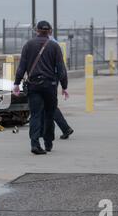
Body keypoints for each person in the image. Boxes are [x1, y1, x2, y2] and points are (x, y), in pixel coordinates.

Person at [13, 21, 68, 155]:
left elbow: (22, 67)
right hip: (50, 86)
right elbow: (61, 69)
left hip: (34, 85)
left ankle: (35, 144)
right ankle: (48, 143)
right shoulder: (55, 46)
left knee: (35, 115)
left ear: (36, 30)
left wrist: (16, 83)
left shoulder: (28, 45)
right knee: (49, 114)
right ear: (50, 31)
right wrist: (64, 86)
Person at [49, 35, 74, 140]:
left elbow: (60, 66)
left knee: (50, 105)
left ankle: (65, 128)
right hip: (53, 77)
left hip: (49, 77)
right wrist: (64, 84)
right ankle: (45, 131)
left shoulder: (50, 44)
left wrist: (64, 85)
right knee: (47, 105)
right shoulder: (54, 43)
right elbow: (61, 67)